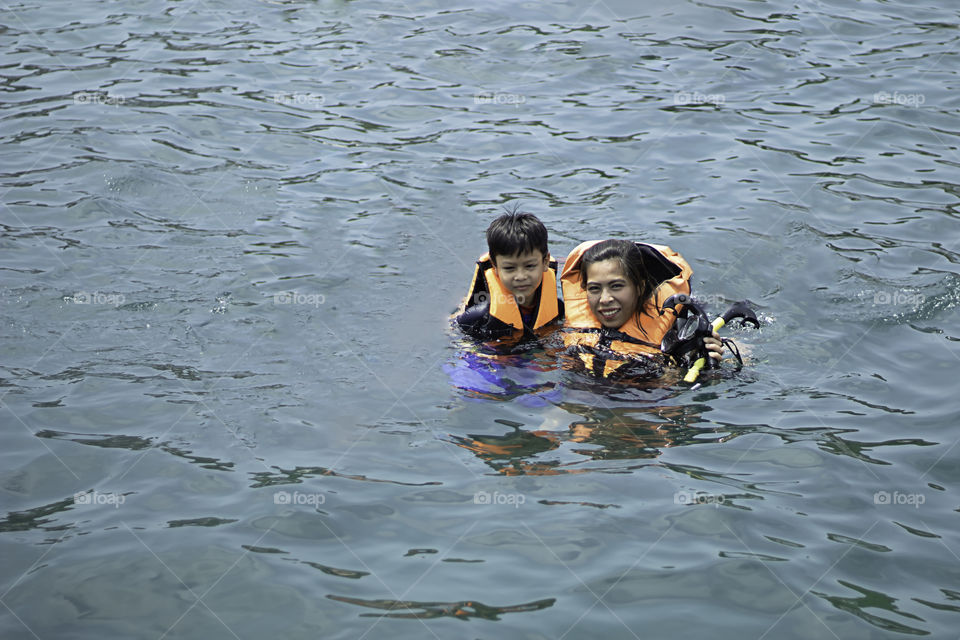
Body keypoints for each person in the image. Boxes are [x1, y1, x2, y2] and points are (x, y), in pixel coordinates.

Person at [560, 239, 726, 378]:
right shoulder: (566, 328)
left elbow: (742, 356)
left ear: (639, 287)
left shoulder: (679, 335)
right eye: (595, 288)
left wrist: (710, 363)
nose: (605, 299)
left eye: (616, 286)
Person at [455, 211, 563, 343]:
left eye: (529, 266)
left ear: (545, 262)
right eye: (509, 268)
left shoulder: (559, 308)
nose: (520, 276)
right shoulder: (479, 316)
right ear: (495, 267)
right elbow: (455, 338)